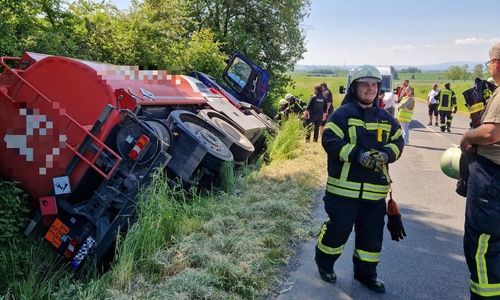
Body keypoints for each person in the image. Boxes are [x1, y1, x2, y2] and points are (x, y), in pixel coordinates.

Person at [315, 65, 405, 294]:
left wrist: (386, 154)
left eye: (374, 85)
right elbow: (330, 140)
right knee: (338, 230)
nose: (370, 89)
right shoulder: (341, 115)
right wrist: (358, 155)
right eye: (365, 84)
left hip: (375, 194)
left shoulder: (386, 117)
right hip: (342, 192)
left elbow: (398, 142)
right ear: (354, 88)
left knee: (372, 237)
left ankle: (366, 274)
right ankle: (324, 265)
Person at [459, 41, 500, 300]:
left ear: (496, 64)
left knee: (483, 246)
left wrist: (467, 136)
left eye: (489, 62)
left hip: (492, 178)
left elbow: (491, 132)